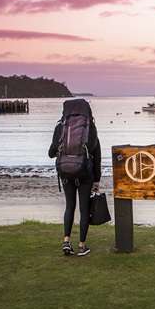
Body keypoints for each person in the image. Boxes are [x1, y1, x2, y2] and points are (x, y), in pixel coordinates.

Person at [48, 99, 101, 257]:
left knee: (69, 206)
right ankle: (82, 246)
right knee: (84, 209)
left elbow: (51, 153)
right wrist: (97, 180)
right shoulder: (90, 128)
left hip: (65, 172)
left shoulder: (60, 127)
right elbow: (96, 155)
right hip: (85, 173)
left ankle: (66, 241)